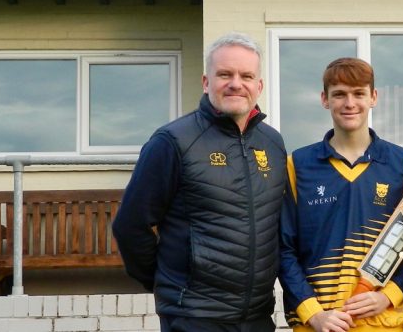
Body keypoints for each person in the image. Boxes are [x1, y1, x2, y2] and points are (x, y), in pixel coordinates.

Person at [112, 32, 287, 332]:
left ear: (259, 86)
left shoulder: (272, 143)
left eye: (246, 75)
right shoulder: (173, 141)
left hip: (258, 316)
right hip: (194, 317)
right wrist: (166, 281)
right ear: (206, 82)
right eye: (225, 74)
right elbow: (130, 225)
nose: (236, 83)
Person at [279, 57, 403, 332]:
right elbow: (283, 250)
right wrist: (313, 313)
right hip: (318, 325)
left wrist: (387, 296)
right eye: (339, 94)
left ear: (373, 97)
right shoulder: (297, 166)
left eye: (358, 93)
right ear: (324, 99)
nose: (349, 103)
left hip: (381, 324)